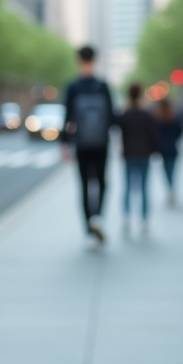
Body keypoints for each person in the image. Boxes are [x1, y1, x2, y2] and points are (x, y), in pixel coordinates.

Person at [61, 46, 115, 245]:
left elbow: (66, 118)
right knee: (101, 182)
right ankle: (97, 217)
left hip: (81, 143)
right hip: (101, 143)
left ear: (78, 60)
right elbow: (111, 117)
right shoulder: (103, 86)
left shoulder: (73, 87)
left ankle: (87, 231)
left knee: (84, 185)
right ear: (95, 60)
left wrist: (64, 144)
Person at [115, 83, 160, 235]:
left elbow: (120, 134)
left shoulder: (125, 116)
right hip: (144, 154)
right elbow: (153, 136)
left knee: (127, 188)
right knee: (144, 188)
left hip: (129, 154)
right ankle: (144, 221)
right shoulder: (147, 115)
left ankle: (126, 220)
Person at [155, 98, 183, 206]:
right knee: (171, 170)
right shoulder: (173, 117)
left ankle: (170, 188)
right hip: (172, 148)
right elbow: (179, 131)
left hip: (163, 149)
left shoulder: (158, 118)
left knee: (166, 171)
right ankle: (171, 189)